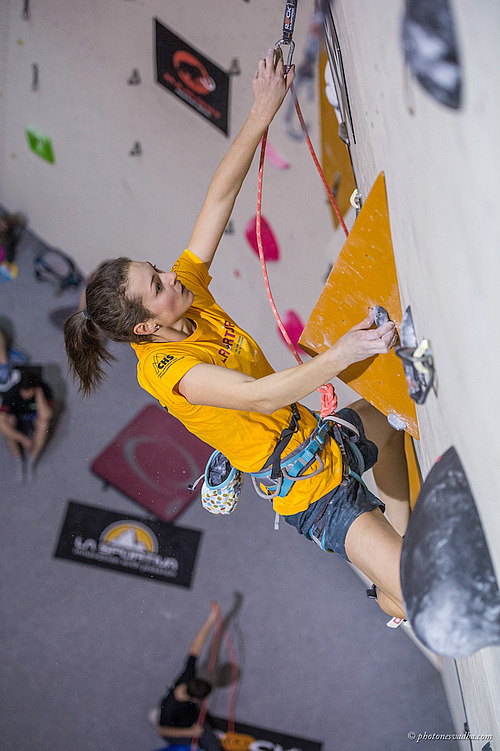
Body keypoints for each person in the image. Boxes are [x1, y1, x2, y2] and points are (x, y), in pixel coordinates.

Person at [64, 49, 410, 618]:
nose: (172, 275)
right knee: (421, 594)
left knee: (392, 427)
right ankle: (399, 594)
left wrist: (261, 112)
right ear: (147, 326)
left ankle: (399, 554)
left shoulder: (187, 296)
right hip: (310, 491)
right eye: (157, 284)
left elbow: (219, 199)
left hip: (318, 437)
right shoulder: (170, 373)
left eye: (158, 268)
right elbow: (260, 396)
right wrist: (344, 352)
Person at [156, 601, 223, 749]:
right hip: (178, 731)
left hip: (192, 720)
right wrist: (190, 732)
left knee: (215, 747)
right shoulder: (170, 707)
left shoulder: (188, 675)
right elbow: (161, 730)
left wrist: (212, 619)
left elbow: (196, 646)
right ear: (195, 699)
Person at [0, 369, 53, 481]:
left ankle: (31, 460)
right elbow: (2, 420)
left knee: (44, 423)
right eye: (23, 391)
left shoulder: (44, 390)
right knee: (6, 426)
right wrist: (23, 439)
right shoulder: (12, 392)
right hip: (18, 421)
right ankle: (18, 459)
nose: (25, 394)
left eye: (28, 391)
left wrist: (39, 395)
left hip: (33, 419)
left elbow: (46, 416)